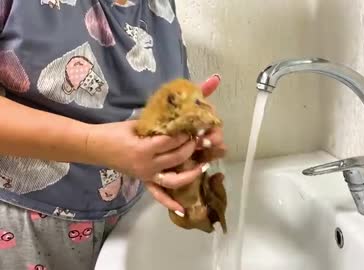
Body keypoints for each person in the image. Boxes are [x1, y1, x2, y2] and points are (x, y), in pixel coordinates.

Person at [0, 0, 225, 269]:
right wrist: (91, 143)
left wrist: (185, 140)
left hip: (128, 221)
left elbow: (159, 102)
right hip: (25, 225)